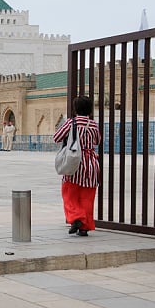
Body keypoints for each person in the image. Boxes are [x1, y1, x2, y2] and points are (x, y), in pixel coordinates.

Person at [52, 96, 101, 237]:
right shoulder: (93, 124)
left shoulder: (71, 123)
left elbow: (57, 137)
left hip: (75, 162)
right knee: (87, 197)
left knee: (69, 193)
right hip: (91, 164)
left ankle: (77, 217)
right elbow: (97, 141)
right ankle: (85, 227)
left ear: (75, 109)